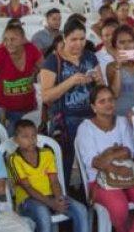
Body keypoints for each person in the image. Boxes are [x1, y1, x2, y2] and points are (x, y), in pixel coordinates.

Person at [75, 87, 134, 232]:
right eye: (102, 101)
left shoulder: (122, 122)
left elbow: (129, 151)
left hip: (127, 176)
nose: (108, 104)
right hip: (98, 180)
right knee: (119, 208)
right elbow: (93, 162)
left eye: (110, 100)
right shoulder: (86, 128)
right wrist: (116, 157)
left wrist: (108, 155)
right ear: (93, 107)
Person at [38, 21, 99, 179]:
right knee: (64, 165)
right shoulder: (53, 61)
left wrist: (99, 81)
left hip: (91, 117)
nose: (78, 43)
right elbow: (46, 96)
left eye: (82, 39)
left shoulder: (90, 57)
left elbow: (101, 90)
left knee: (92, 162)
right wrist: (70, 81)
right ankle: (65, 195)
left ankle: (88, 195)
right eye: (74, 39)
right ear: (64, 38)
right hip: (65, 120)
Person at [6, 118, 90, 232]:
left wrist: (59, 199)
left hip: (51, 196)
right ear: (16, 140)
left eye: (33, 136)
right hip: (27, 200)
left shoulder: (47, 153)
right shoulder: (14, 159)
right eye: (25, 137)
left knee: (81, 210)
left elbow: (54, 181)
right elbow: (27, 188)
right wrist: (51, 204)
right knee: (42, 213)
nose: (31, 140)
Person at [0, 22, 42, 126]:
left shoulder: (31, 49)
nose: (8, 43)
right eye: (5, 39)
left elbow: (46, 70)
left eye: (13, 39)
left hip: (29, 109)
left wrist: (36, 71)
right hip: (5, 112)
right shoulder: (1, 53)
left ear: (23, 39)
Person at [106, 26, 134, 118]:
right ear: (115, 45)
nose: (126, 46)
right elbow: (115, 94)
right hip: (120, 116)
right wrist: (118, 67)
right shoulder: (111, 66)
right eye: (121, 42)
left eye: (130, 41)